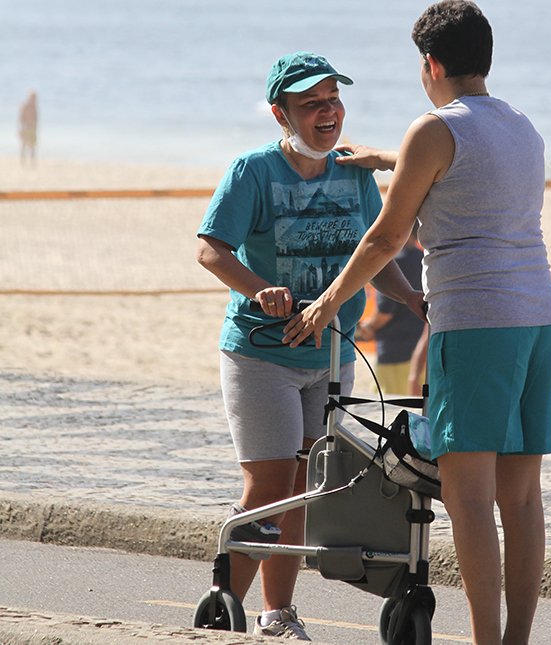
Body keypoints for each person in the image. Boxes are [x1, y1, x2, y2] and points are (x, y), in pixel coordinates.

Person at [283, 4, 551, 644]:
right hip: (541, 318)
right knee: (519, 498)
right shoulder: (522, 127)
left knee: (468, 496)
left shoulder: (433, 129)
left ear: (430, 64)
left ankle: (484, 642)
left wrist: (327, 303)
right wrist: (390, 157)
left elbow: (385, 239)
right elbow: (470, 176)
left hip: (476, 323)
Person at [196, 52, 425, 641]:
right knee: (270, 485)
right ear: (282, 113)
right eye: (310, 104)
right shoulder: (252, 171)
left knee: (306, 483)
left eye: (333, 99)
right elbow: (211, 250)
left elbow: (379, 251)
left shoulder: (353, 173)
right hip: (261, 354)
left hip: (330, 355)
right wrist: (260, 289)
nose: (327, 112)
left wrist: (413, 300)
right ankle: (223, 611)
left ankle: (277, 615)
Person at [357, 227, 426, 395]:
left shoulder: (392, 263)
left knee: (391, 412)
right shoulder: (425, 259)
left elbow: (384, 312)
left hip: (394, 351)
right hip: (422, 352)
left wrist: (367, 327)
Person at [18, 90, 38, 166]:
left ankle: (32, 163)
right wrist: (21, 129)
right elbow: (21, 118)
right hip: (26, 127)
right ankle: (22, 162)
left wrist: (36, 128)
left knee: (32, 146)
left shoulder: (35, 106)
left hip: (32, 128)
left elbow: (36, 119)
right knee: (24, 145)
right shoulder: (25, 106)